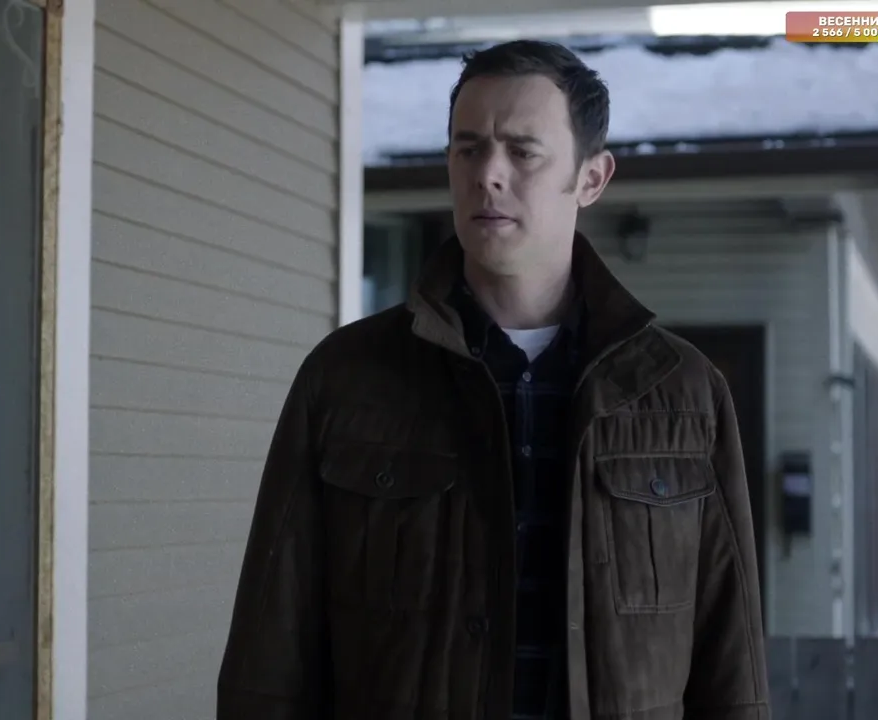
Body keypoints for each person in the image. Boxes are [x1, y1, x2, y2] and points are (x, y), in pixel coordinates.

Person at [218, 39, 769, 720]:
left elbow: (732, 669)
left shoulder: (683, 394)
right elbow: (269, 660)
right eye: (469, 149)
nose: (488, 175)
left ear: (591, 178)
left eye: (523, 152)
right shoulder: (346, 380)